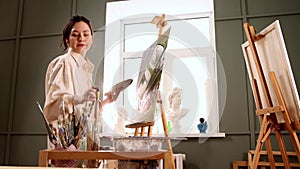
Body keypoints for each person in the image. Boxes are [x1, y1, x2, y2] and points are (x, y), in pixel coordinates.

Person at [43, 15, 114, 148]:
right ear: (67, 40)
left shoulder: (85, 67)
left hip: (83, 142)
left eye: (86, 34)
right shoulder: (65, 63)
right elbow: (53, 108)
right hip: (66, 143)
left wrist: (105, 102)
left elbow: (84, 112)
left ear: (92, 39)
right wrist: (80, 99)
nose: (81, 38)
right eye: (75, 35)